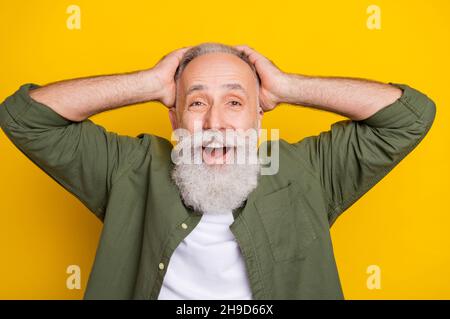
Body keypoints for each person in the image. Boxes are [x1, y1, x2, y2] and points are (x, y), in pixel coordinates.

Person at [0, 42, 436, 299]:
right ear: (174, 119)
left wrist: (287, 86)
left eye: (234, 102)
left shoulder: (308, 172)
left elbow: (410, 116)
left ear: (259, 117)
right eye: (196, 102)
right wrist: (149, 83)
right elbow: (24, 117)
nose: (214, 123)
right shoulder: (129, 169)